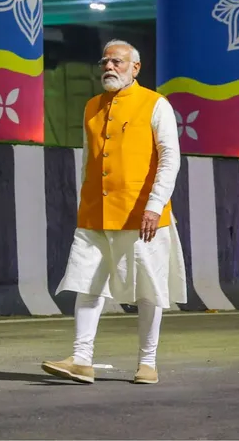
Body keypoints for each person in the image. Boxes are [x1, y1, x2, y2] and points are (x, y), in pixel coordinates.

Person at [41, 39, 186, 385]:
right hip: (94, 214)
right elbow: (88, 162)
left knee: (149, 289)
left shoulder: (155, 104)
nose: (109, 67)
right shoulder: (91, 106)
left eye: (117, 62)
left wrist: (154, 205)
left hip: (142, 216)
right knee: (86, 283)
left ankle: (147, 363)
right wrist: (84, 202)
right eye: (105, 61)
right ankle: (80, 359)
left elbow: (170, 159)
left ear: (135, 68)